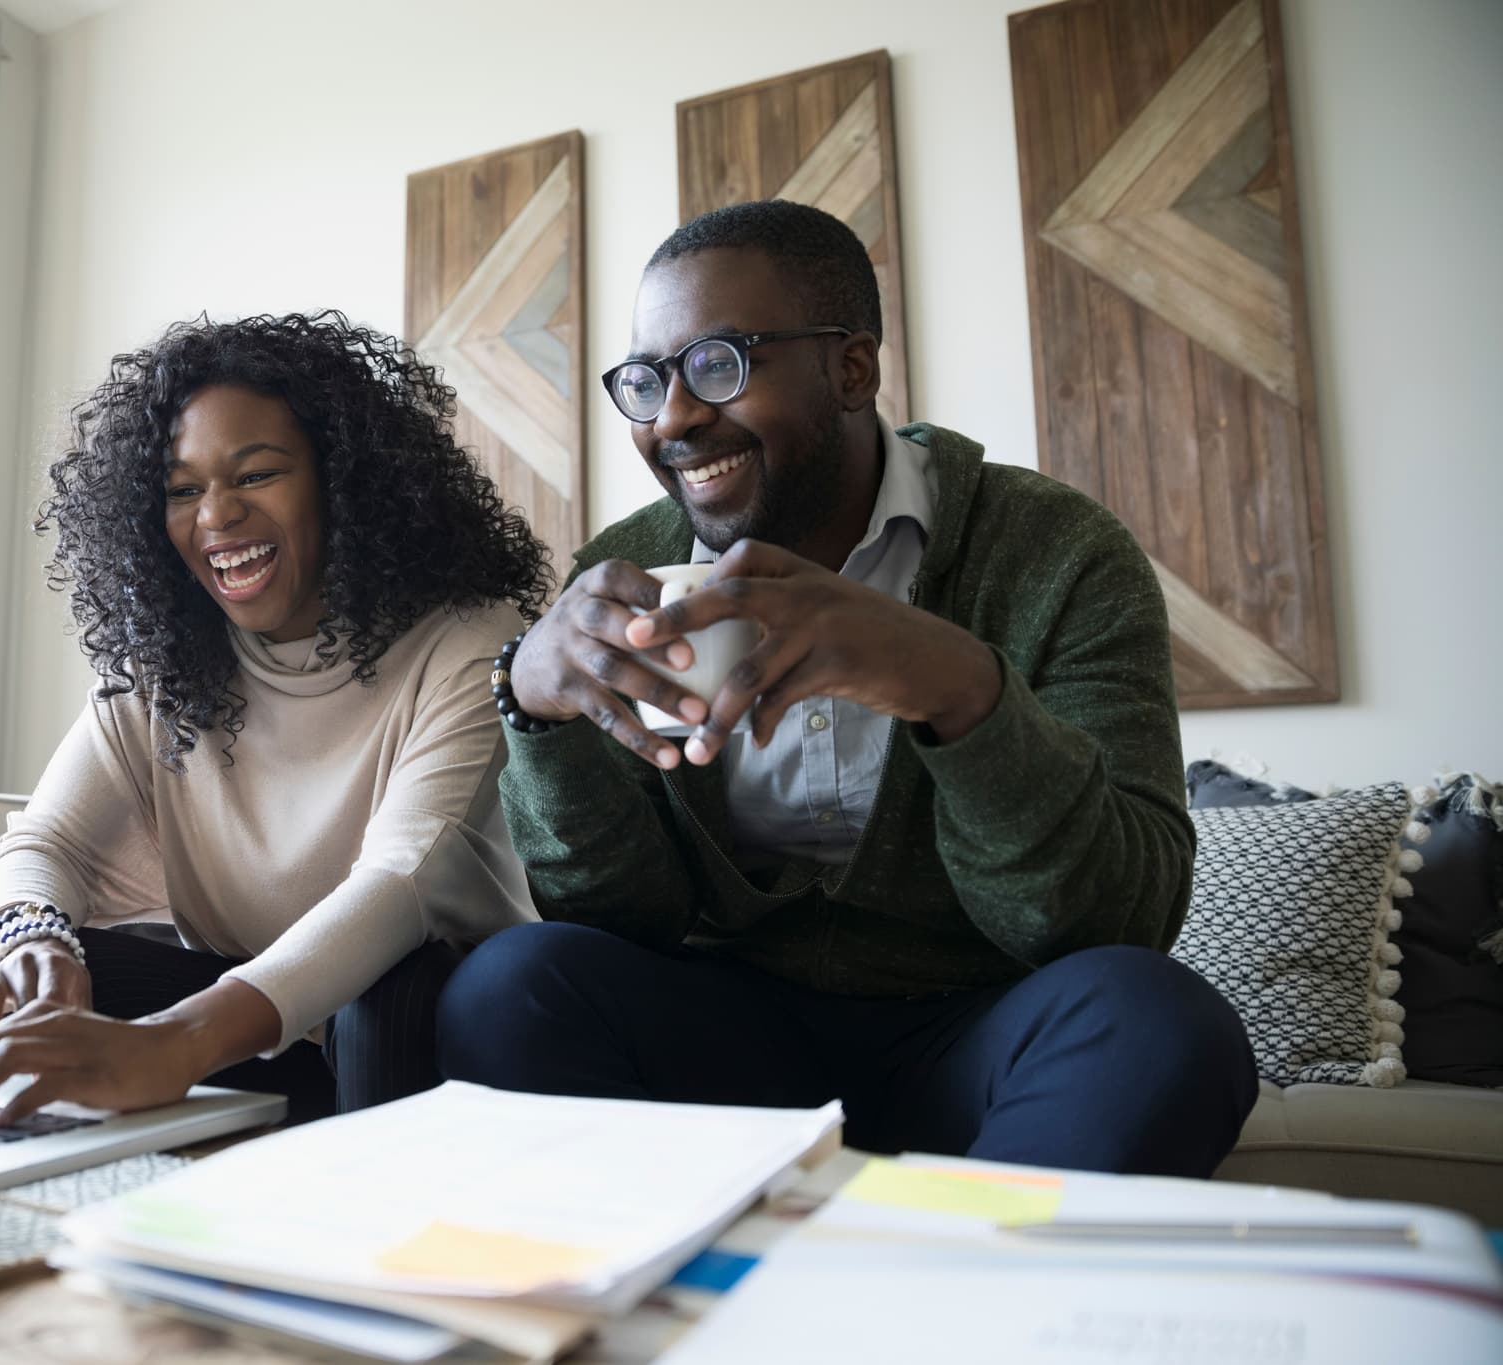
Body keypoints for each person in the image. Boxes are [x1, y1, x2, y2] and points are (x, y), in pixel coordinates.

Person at [436, 200, 1258, 1177]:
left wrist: (959, 689)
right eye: (647, 381)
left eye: (718, 365)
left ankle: (945, 1305)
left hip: (977, 1036)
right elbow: (618, 921)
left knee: (1158, 1021)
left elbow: (1117, 922)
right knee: (509, 985)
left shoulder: (1054, 552)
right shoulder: (625, 572)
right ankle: (674, 1287)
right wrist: (533, 707)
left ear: (851, 368)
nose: (675, 419)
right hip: (727, 1047)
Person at [0, 311, 551, 1126]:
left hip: (425, 1037)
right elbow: (42, 843)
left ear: (343, 480)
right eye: (183, 490)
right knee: (30, 976)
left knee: (386, 994)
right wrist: (34, 941)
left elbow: (404, 880)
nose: (216, 516)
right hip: (266, 1033)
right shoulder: (169, 667)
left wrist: (177, 1043)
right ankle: (44, 1217)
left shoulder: (471, 640)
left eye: (256, 475)